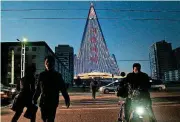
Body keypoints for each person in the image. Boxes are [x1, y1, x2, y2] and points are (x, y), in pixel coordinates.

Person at [32, 55, 70, 122]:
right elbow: (38, 89)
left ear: (53, 64)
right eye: (47, 62)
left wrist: (67, 99)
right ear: (45, 63)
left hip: (53, 101)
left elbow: (63, 88)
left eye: (50, 62)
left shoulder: (58, 75)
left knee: (50, 119)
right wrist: (34, 99)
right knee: (44, 118)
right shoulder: (42, 75)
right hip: (43, 102)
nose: (48, 64)